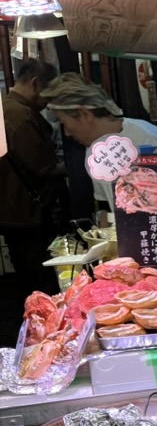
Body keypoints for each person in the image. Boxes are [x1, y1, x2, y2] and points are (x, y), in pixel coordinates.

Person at [41, 73, 157, 209]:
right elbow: (108, 210)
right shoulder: (96, 152)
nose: (67, 133)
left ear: (84, 114)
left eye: (63, 123)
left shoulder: (147, 137)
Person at [0, 58, 69, 308]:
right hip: (27, 211)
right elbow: (44, 167)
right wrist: (81, 165)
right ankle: (43, 322)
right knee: (40, 280)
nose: (49, 102)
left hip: (13, 209)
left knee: (28, 275)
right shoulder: (20, 116)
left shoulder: (6, 107)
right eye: (49, 93)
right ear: (36, 84)